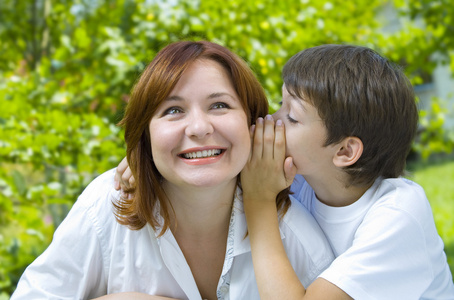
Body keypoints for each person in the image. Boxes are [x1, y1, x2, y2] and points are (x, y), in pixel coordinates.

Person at [11, 41, 333, 300]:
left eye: (219, 105)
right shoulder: (107, 208)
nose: (198, 128)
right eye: (173, 110)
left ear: (254, 125)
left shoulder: (293, 235)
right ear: (146, 134)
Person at [241, 44, 454, 299]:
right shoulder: (300, 179)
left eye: (293, 117)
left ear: (344, 151)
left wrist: (259, 200)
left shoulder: (398, 215)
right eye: (280, 104)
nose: (271, 119)